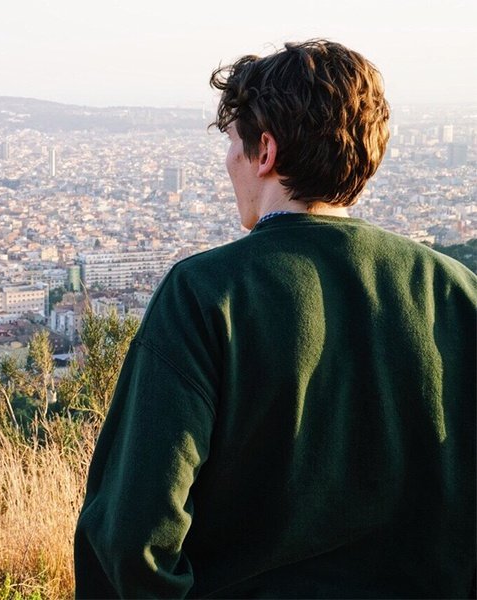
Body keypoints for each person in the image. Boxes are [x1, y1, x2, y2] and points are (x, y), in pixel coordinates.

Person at [74, 40, 476, 598]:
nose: (228, 163)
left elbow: (130, 536)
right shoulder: (454, 291)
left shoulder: (207, 295)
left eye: (234, 145)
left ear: (265, 151)